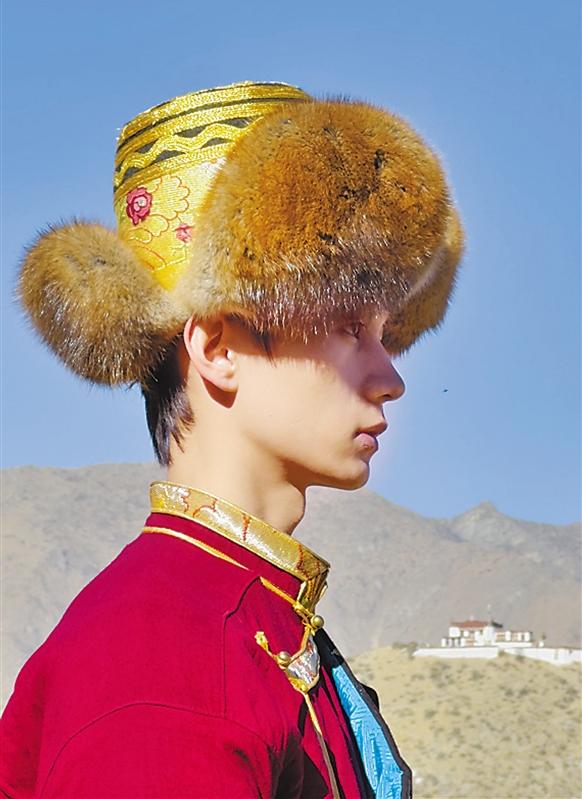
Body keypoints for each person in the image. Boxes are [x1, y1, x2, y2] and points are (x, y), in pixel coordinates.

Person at [1, 80, 464, 798]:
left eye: (385, 335)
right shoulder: (162, 656)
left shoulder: (245, 619)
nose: (390, 378)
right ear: (218, 348)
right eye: (350, 329)